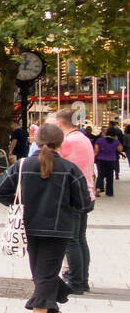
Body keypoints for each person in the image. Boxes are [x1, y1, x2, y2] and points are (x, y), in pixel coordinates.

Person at [0, 124, 91, 313]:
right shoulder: (70, 169)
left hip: (28, 228)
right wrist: (66, 209)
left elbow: (1, 193)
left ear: (35, 141)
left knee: (41, 274)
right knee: (45, 275)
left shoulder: (21, 165)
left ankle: (52, 312)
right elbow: (84, 203)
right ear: (60, 143)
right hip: (59, 230)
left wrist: (21, 205)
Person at [51, 108, 95, 294]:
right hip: (86, 194)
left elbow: (51, 161)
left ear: (60, 124)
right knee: (80, 239)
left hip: (72, 195)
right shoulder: (84, 139)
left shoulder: (68, 142)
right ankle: (82, 279)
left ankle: (75, 280)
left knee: (71, 240)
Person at [94, 126, 122, 197]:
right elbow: (120, 149)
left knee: (100, 175)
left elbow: (96, 151)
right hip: (111, 160)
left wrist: (94, 157)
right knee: (110, 176)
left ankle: (98, 188)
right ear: (114, 134)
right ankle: (109, 192)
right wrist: (117, 140)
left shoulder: (99, 140)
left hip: (100, 160)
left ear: (106, 132)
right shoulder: (116, 141)